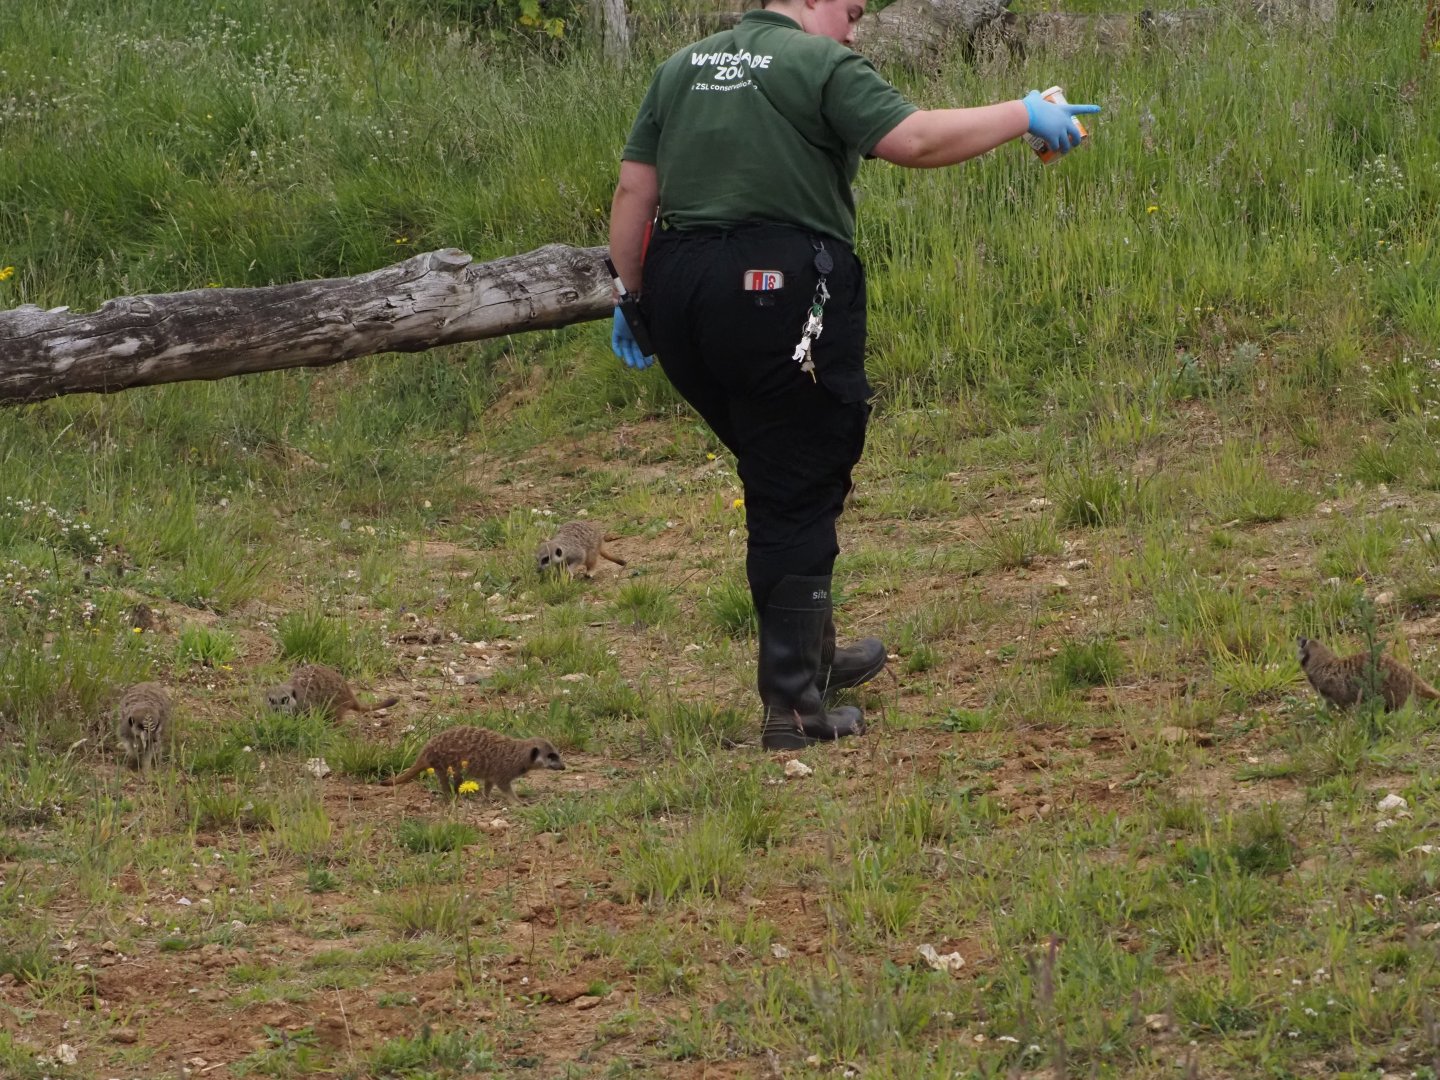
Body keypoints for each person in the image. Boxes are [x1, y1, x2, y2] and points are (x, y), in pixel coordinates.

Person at [607, 0, 1099, 750]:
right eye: (852, 10)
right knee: (798, 477)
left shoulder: (680, 68)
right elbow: (915, 139)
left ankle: (814, 656)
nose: (855, 28)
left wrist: (634, 298)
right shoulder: (820, 63)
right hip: (775, 287)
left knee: (780, 468)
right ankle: (795, 707)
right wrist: (1024, 112)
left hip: (681, 290)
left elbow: (635, 194)